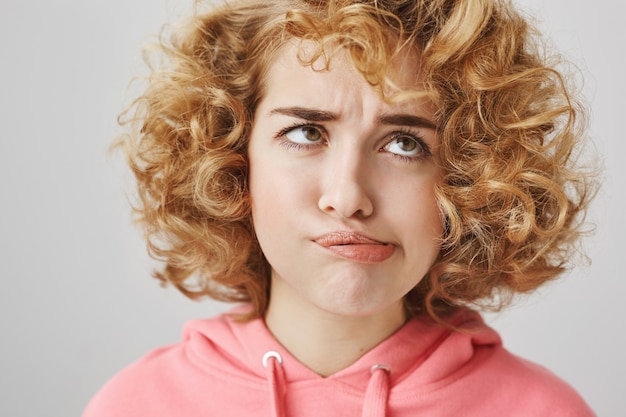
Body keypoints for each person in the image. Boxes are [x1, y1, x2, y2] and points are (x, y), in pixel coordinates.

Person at [83, 0, 597, 415]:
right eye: (306, 133)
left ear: (466, 181)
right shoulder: (135, 405)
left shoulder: (544, 410)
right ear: (233, 161)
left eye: (404, 144)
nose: (349, 197)